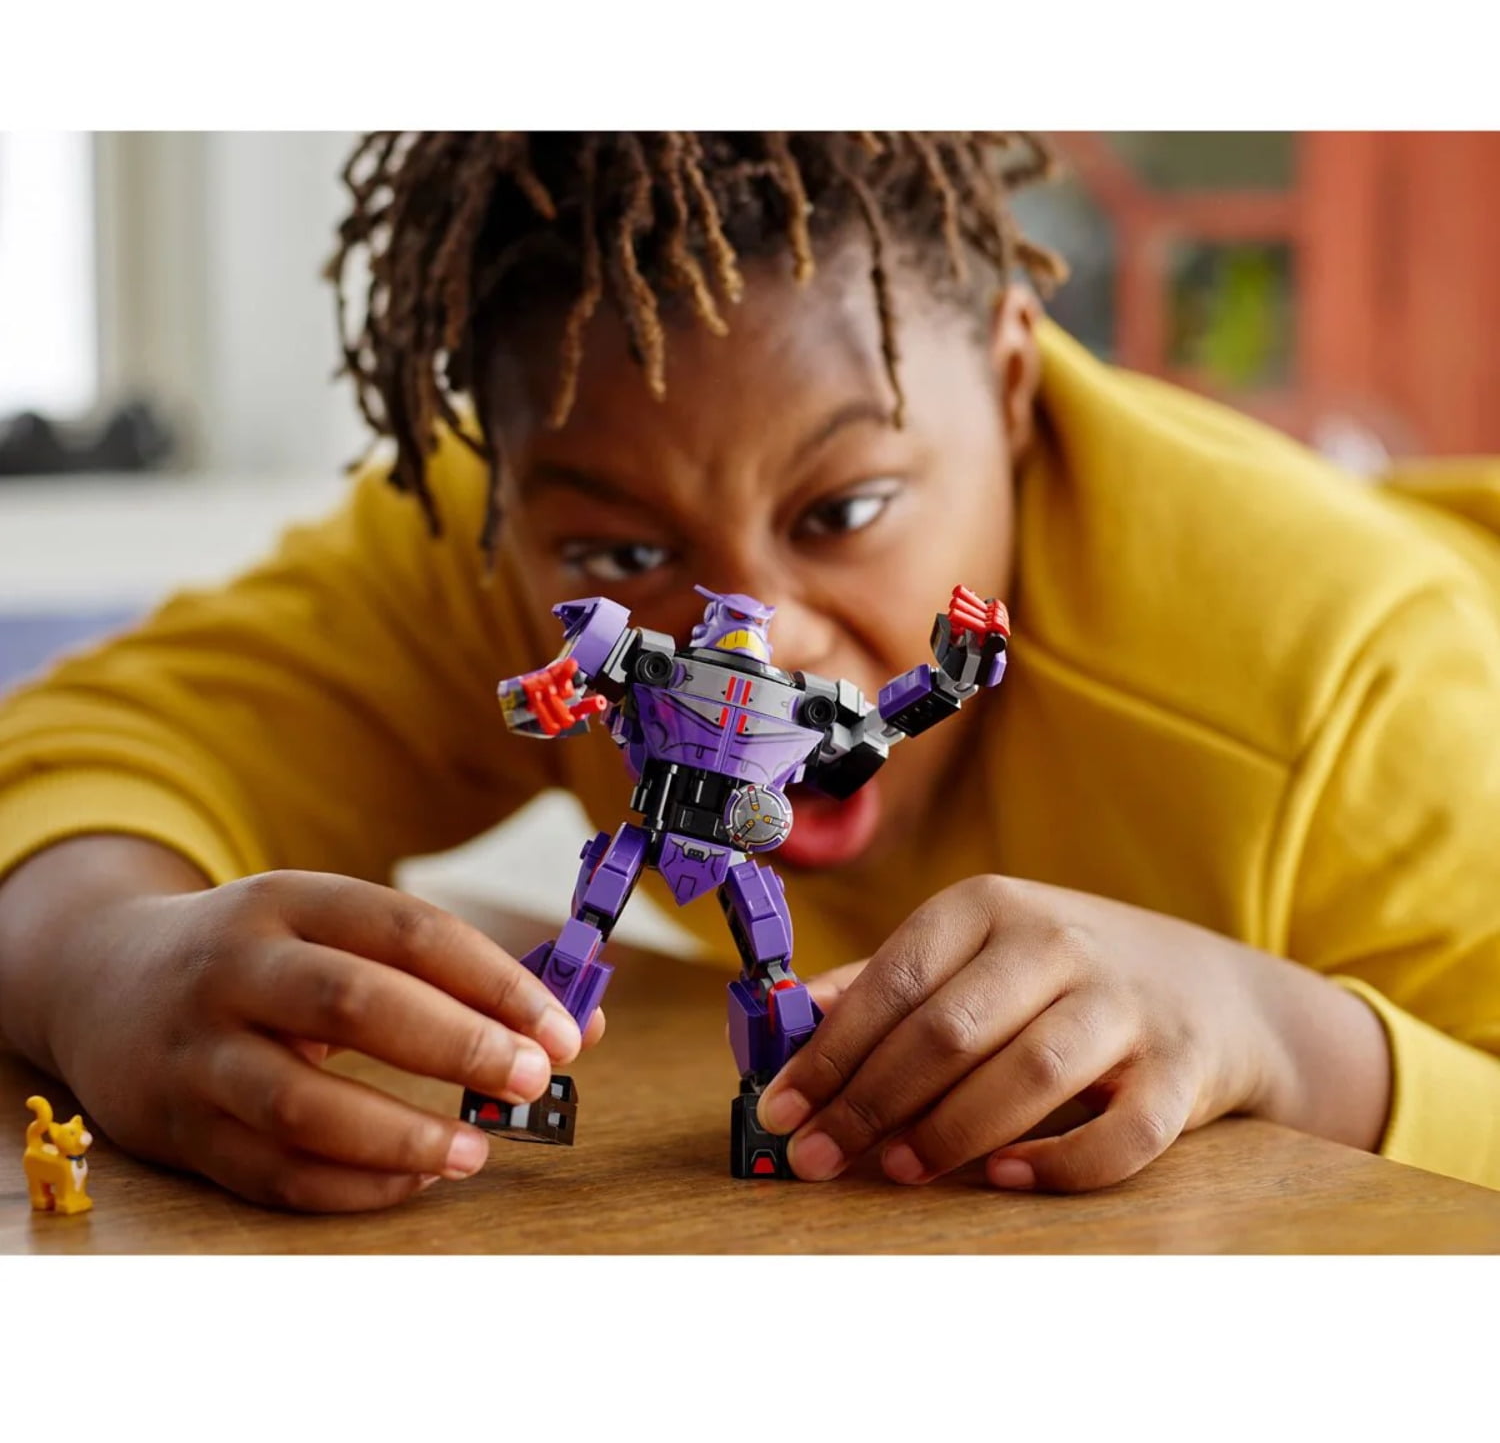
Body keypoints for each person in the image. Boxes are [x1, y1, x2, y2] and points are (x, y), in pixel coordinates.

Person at [2, 132, 1498, 1212]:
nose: (770, 626)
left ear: (1012, 382)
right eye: (620, 550)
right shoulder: (518, 545)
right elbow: (96, 743)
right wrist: (100, 964)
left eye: (845, 512)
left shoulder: (1348, 680)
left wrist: (1279, 1034)